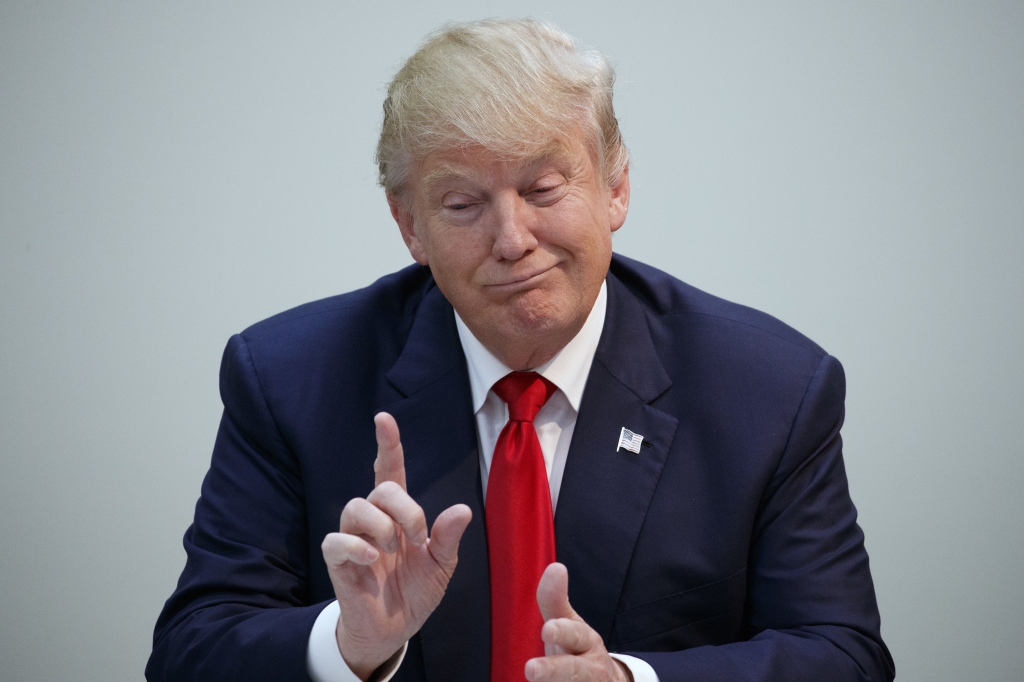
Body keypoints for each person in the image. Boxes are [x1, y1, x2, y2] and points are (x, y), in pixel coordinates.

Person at [147, 18, 894, 682]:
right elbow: (191, 652)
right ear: (409, 226)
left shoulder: (770, 390)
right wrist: (348, 645)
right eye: (462, 204)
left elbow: (843, 654)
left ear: (616, 187)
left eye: (543, 187)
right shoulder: (288, 378)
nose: (512, 241)